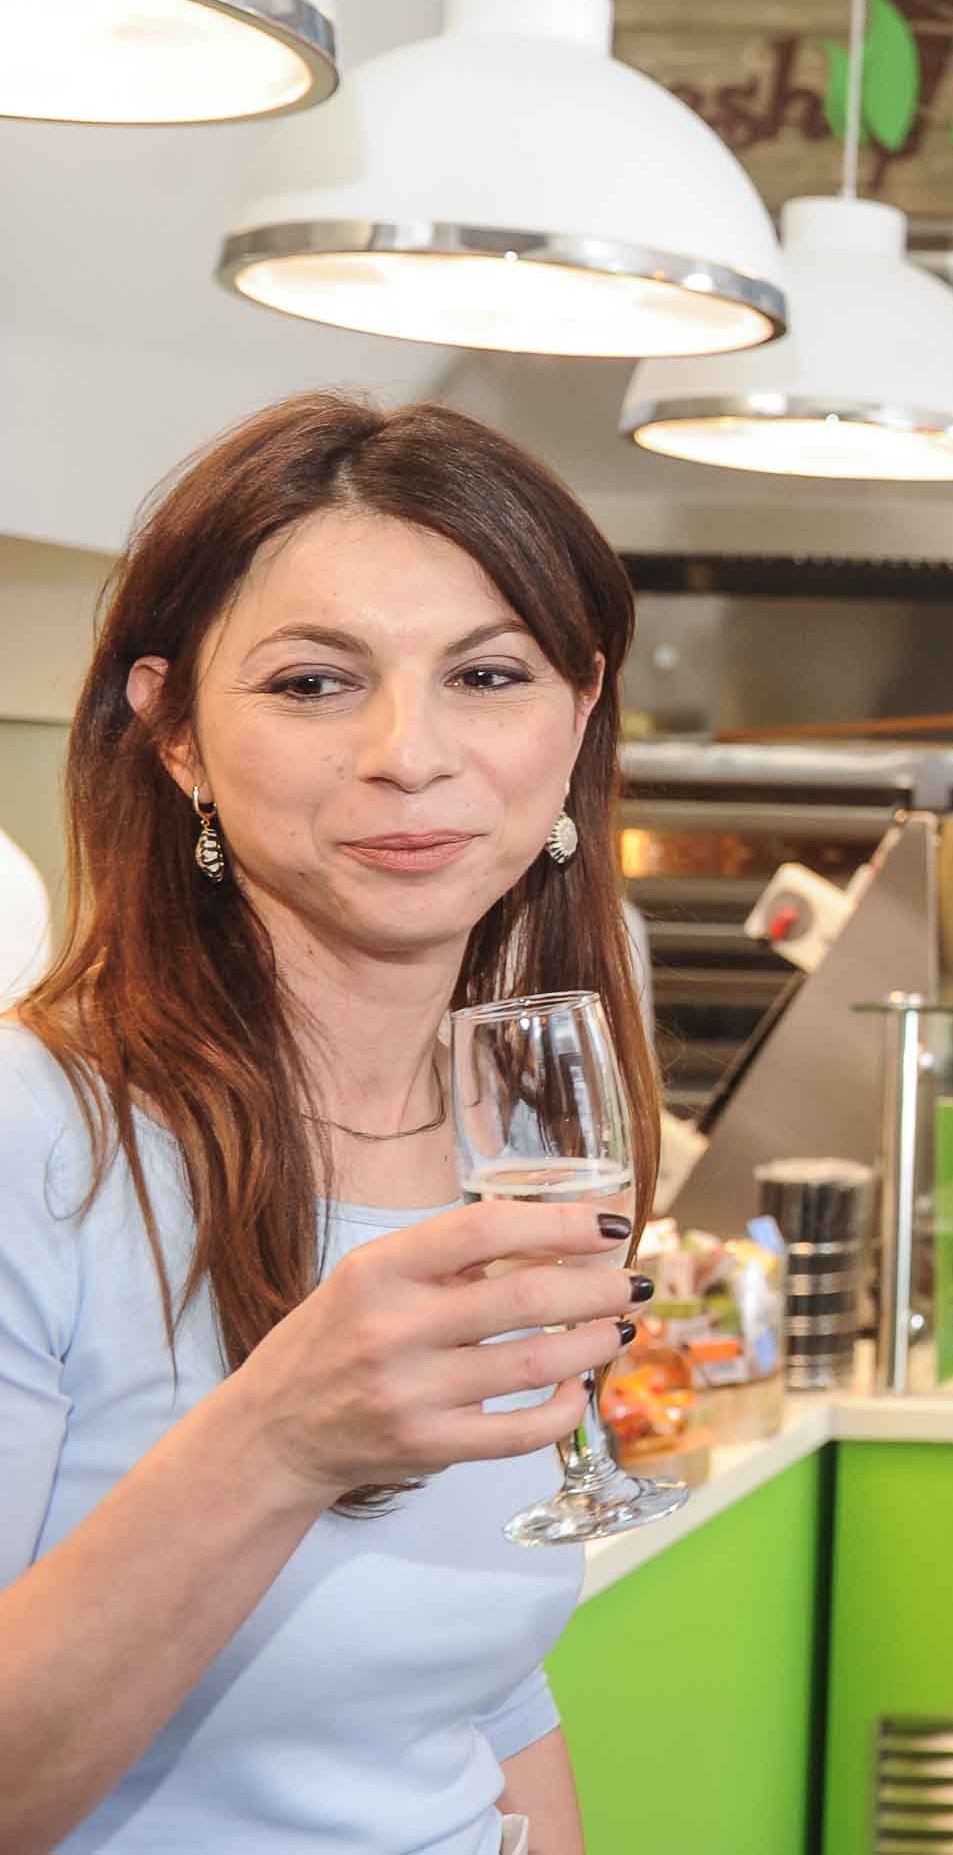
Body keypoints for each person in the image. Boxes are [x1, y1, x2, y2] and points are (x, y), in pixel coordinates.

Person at [1, 395, 663, 1855]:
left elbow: (482, 1696)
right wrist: (279, 1439)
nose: (408, 752)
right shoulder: (35, 1135)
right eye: (314, 682)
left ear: (577, 714)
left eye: (486, 674)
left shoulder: (519, 1135)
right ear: (174, 731)